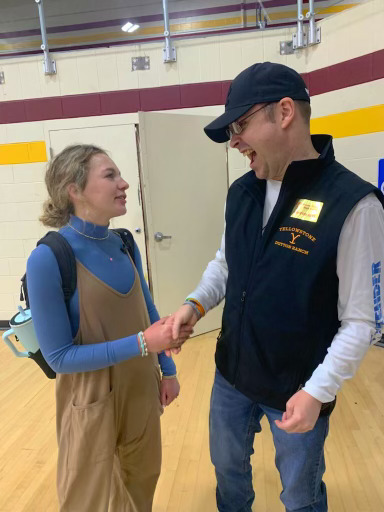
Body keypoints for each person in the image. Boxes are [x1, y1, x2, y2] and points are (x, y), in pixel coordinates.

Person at [170, 62, 384, 512]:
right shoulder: (242, 192)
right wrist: (195, 304)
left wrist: (316, 392)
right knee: (228, 477)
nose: (234, 142)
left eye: (241, 125)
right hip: (232, 374)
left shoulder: (355, 204)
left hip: (297, 386)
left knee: (300, 497)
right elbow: (226, 265)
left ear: (285, 112)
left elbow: (362, 321)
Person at [27, 145, 192, 512]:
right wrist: (141, 343)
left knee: (141, 487)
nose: (125, 184)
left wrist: (167, 369)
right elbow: (59, 359)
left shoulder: (124, 242)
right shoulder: (48, 258)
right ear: (74, 189)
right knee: (91, 501)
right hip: (90, 402)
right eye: (110, 176)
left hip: (141, 392)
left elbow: (148, 309)